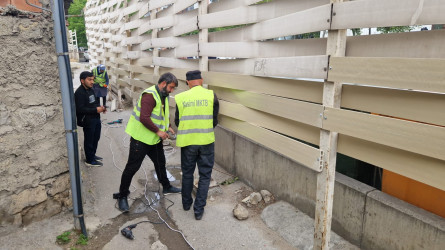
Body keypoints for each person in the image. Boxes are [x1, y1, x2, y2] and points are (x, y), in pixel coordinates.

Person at [115, 72, 181, 213]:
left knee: (160, 162)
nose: (172, 90)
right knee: (132, 167)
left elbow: (162, 114)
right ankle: (122, 196)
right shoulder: (149, 96)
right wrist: (158, 131)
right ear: (163, 84)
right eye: (171, 87)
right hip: (141, 139)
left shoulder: (163, 95)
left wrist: (168, 126)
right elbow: (144, 118)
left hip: (153, 140)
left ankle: (167, 186)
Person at [174, 70, 219, 220]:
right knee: (205, 176)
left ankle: (186, 204)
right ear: (201, 80)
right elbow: (214, 121)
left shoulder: (180, 98)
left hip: (187, 143)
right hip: (206, 141)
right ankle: (198, 211)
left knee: (187, 173)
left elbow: (177, 122)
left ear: (187, 83)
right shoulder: (211, 95)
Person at [74, 71, 107, 167]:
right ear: (82, 81)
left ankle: (92, 155)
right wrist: (96, 110)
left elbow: (95, 102)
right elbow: (80, 109)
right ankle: (89, 160)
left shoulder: (91, 89)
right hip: (87, 120)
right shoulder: (79, 93)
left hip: (95, 118)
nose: (92, 82)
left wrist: (101, 108)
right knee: (89, 140)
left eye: (93, 79)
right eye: (89, 79)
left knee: (96, 138)